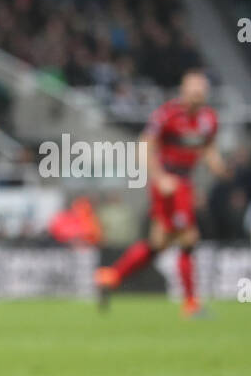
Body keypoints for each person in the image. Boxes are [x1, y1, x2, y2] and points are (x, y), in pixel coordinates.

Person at [95, 70, 229, 316]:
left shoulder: (209, 119)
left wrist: (218, 166)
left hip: (185, 183)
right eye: (193, 88)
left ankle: (110, 276)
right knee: (188, 239)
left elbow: (208, 147)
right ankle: (191, 305)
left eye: (202, 89)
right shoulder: (167, 114)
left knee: (158, 244)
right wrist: (160, 178)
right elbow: (144, 146)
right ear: (183, 90)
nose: (198, 93)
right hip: (169, 185)